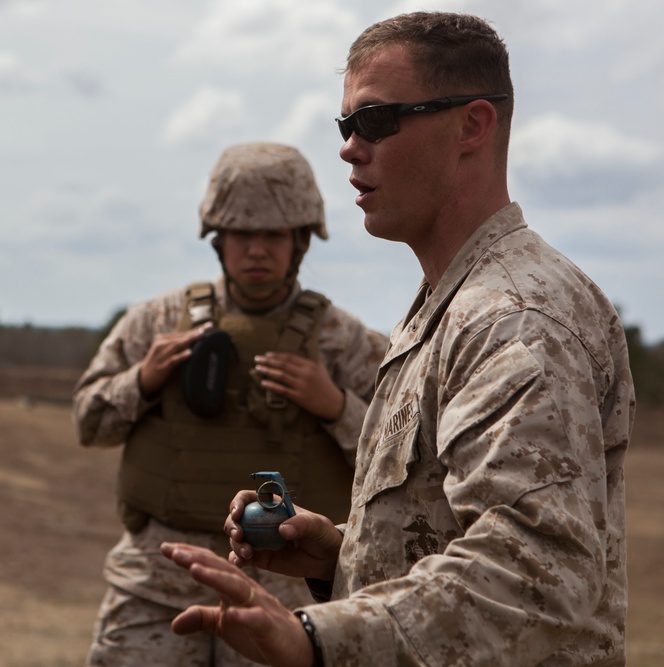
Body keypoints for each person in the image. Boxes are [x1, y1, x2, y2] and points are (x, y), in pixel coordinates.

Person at [160, 12, 635, 667]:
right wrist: (342, 555)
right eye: (346, 126)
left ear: (472, 125)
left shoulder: (515, 318)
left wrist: (318, 637)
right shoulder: (450, 303)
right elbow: (453, 531)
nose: (351, 148)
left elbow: (536, 571)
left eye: (376, 120)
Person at [73, 142, 388, 665]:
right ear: (218, 240)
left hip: (286, 598)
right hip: (156, 583)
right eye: (242, 235)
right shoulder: (159, 322)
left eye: (273, 235)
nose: (256, 250)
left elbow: (400, 464)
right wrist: (142, 381)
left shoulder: (343, 341)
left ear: (301, 241)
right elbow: (89, 423)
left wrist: (335, 406)